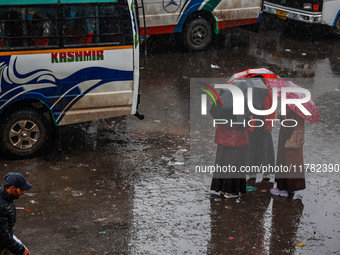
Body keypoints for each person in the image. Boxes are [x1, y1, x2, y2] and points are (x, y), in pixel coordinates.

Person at [271, 107, 306, 197]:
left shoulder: (291, 108)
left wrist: (283, 137)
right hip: (296, 139)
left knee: (286, 162)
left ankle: (284, 188)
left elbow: (289, 125)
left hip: (289, 140)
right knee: (293, 162)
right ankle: (291, 188)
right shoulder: (299, 107)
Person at [210, 123, 249, 199]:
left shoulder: (223, 111)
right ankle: (231, 190)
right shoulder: (240, 111)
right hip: (236, 137)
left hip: (223, 135)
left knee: (223, 161)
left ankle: (222, 188)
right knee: (234, 162)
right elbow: (243, 125)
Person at [0, 173, 32, 255]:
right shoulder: (2, 206)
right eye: (21, 189)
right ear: (12, 188)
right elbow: (2, 234)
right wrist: (20, 250)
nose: (24, 192)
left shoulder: (7, 197)